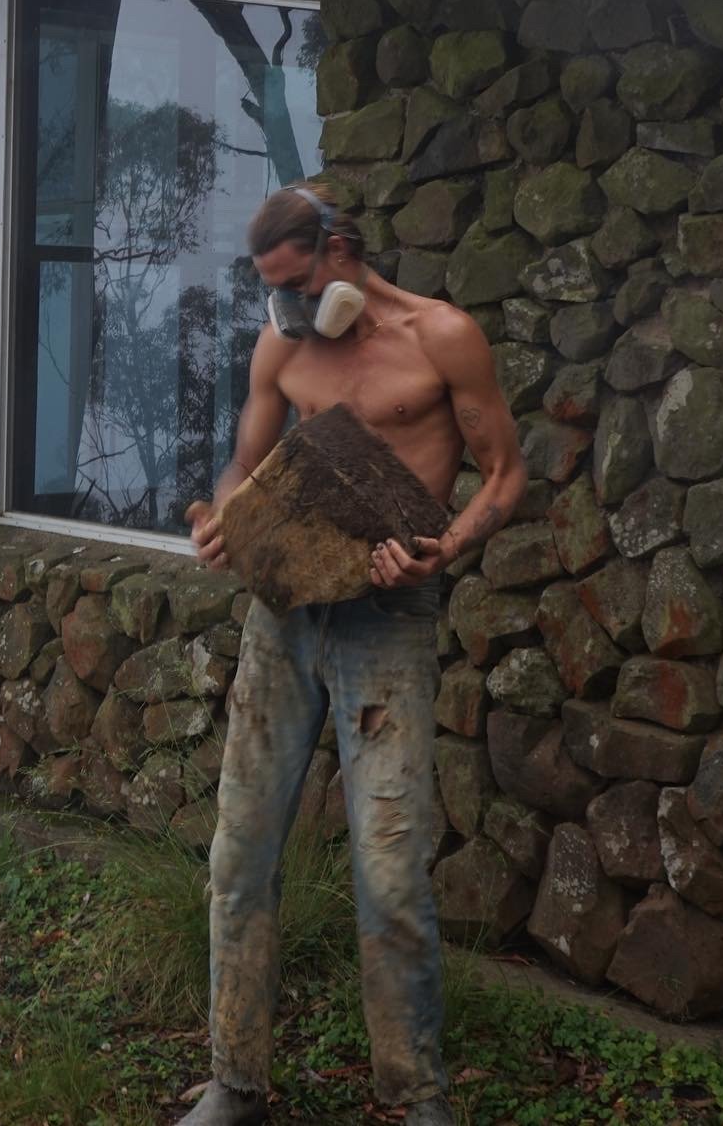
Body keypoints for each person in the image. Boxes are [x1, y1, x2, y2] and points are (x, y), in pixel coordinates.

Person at [179, 183, 528, 1126]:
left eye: (296, 284)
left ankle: (416, 1101)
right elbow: (243, 468)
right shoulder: (282, 346)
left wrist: (443, 548)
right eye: (271, 292)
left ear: (339, 253)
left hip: (389, 616)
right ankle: (234, 1082)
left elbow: (505, 471)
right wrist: (220, 521)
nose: (286, 309)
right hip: (283, 613)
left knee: (389, 869)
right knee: (240, 854)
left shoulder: (442, 338)